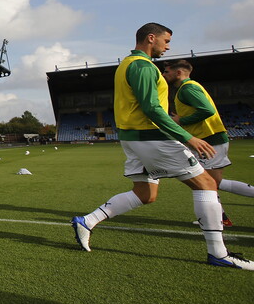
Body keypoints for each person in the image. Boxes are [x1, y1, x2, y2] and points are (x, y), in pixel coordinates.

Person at [71, 23, 252, 270]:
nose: (167, 47)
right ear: (151, 38)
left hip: (133, 138)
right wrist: (188, 137)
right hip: (150, 137)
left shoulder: (127, 64)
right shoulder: (143, 66)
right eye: (166, 41)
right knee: (207, 184)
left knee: (145, 194)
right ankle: (219, 254)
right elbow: (152, 108)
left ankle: (87, 221)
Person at [163, 60, 254, 226]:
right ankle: (221, 218)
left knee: (206, 183)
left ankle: (219, 219)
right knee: (210, 182)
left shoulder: (188, 88)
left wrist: (181, 120)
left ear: (178, 73)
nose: (164, 75)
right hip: (209, 140)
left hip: (210, 140)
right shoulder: (188, 88)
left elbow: (207, 110)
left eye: (167, 71)